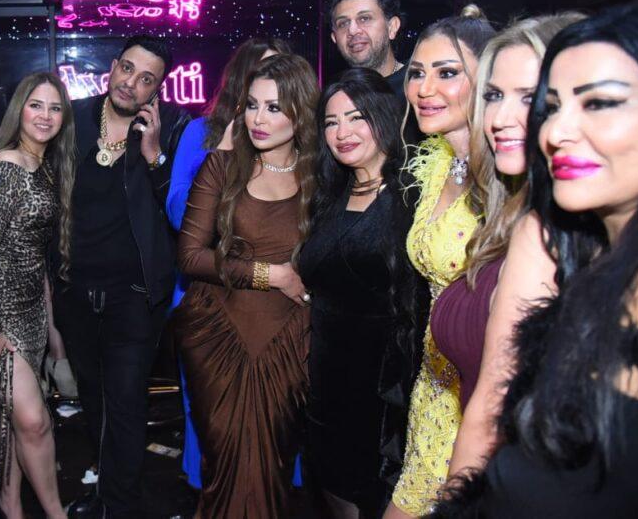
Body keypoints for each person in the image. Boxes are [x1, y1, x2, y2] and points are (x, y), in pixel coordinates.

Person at [432, 2, 638, 517]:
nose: (553, 130)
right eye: (551, 105)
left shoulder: (548, 234)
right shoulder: (553, 233)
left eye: (599, 103)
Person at [435, 13, 584, 482]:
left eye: (529, 96)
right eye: (494, 96)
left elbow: (490, 411)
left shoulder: (546, 232)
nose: (499, 118)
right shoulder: (510, 215)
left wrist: (455, 506)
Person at [175, 53, 318, 517]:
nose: (258, 118)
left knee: (272, 467)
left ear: (300, 112)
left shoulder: (322, 176)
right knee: (225, 463)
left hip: (288, 341)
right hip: (219, 336)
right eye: (252, 105)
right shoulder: (222, 167)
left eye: (274, 108)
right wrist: (271, 274)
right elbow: (190, 256)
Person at [55, 35, 190, 518]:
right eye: (127, 69)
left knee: (127, 402)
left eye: (146, 79)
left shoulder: (172, 129)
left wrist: (154, 156)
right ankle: (106, 493)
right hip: (75, 290)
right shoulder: (72, 119)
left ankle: (122, 506)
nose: (131, 83)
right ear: (112, 66)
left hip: (134, 296)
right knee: (94, 400)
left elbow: (184, 211)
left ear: (158, 89)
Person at [297, 68, 424, 519]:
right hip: (326, 381)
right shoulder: (330, 195)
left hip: (385, 390)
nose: (342, 132)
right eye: (331, 122)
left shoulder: (413, 194)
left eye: (356, 117)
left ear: (384, 117)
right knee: (331, 488)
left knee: (376, 498)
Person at [384, 6, 495, 519]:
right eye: (417, 73)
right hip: (432, 387)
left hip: (481, 394)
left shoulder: (510, 181)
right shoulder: (435, 167)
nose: (424, 89)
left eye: (447, 72)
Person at [0, 71, 76, 519]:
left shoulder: (43, 167)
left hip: (28, 312)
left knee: (13, 420)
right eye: (35, 105)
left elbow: (35, 256)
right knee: (34, 420)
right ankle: (55, 513)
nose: (45, 116)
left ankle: (10, 503)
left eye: (55, 108)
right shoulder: (6, 165)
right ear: (19, 110)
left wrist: (51, 326)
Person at [328, 0, 407, 97]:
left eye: (364, 18)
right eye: (343, 23)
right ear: (334, 38)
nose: (352, 30)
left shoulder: (419, 87)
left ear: (392, 27)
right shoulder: (337, 98)